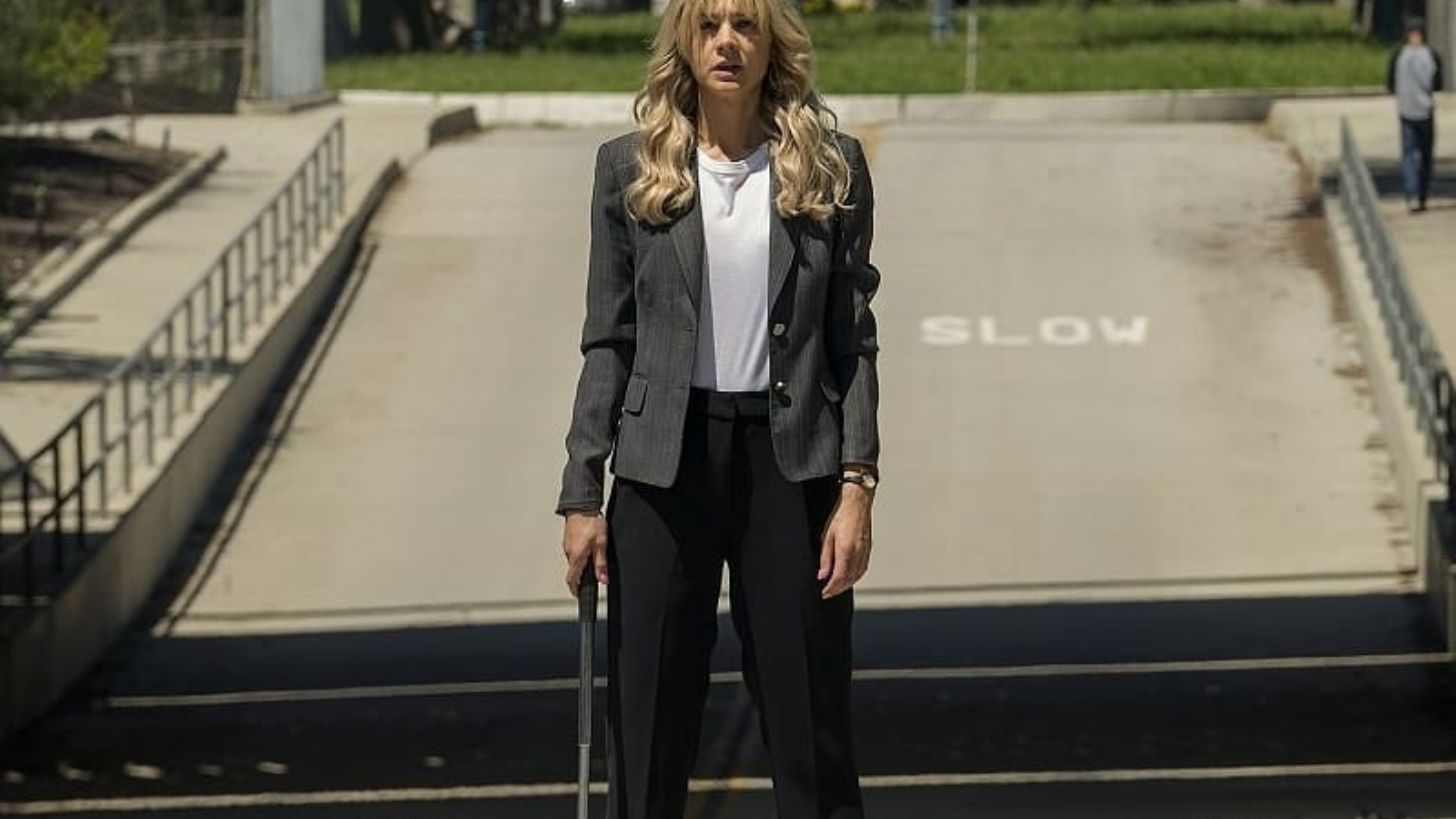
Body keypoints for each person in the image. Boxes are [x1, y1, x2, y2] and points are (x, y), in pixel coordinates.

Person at [554, 0, 883, 815]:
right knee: (648, 724)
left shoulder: (830, 166)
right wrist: (582, 491)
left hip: (790, 465)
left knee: (811, 728)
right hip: (664, 466)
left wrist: (856, 485)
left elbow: (852, 342)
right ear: (685, 41)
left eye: (746, 25)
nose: (727, 42)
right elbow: (609, 339)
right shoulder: (629, 168)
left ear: (774, 45)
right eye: (709, 26)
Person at [1386, 17, 1444, 213]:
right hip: (1425, 111)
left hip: (1406, 110)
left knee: (1409, 155)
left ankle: (1411, 194)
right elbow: (1437, 84)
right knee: (1425, 156)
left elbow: (1390, 84)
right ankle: (1421, 194)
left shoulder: (1398, 55)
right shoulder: (1431, 55)